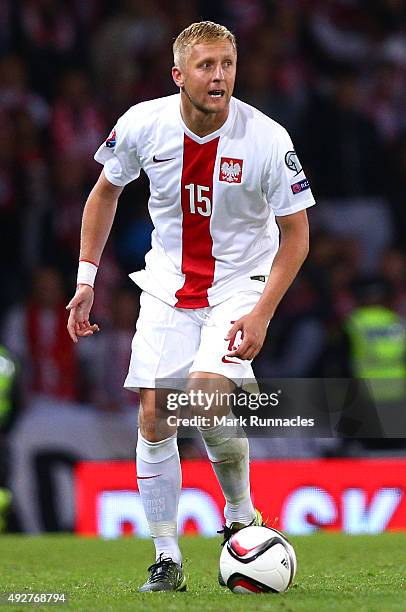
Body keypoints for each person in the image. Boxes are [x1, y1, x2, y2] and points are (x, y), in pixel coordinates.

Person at [66, 21, 315, 592]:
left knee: (204, 394)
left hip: (240, 282)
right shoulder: (142, 124)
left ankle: (240, 518)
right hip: (167, 285)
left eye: (227, 63)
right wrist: (85, 280)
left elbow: (297, 235)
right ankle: (166, 558)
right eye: (206, 65)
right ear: (179, 75)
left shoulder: (268, 139)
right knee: (156, 414)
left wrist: (261, 314)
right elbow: (105, 190)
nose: (219, 75)